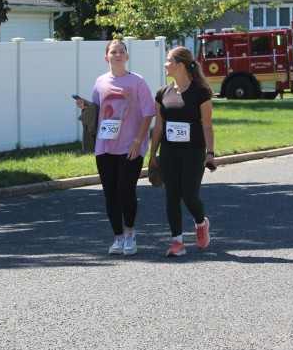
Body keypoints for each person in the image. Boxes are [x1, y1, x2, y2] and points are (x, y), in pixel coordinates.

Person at [76, 39, 155, 256]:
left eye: (121, 51)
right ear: (106, 57)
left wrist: (138, 142)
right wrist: (85, 106)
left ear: (127, 57)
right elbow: (97, 110)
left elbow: (149, 113)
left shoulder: (138, 81)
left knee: (125, 189)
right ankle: (118, 237)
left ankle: (130, 233)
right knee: (110, 193)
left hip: (130, 145)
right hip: (105, 145)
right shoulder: (100, 81)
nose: (117, 55)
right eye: (113, 52)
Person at [148, 47, 217, 257]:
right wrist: (152, 155)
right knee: (172, 195)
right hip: (169, 151)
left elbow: (207, 125)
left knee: (189, 195)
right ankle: (177, 242)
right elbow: (159, 127)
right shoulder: (162, 93)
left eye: (168, 60)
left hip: (193, 151)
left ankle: (201, 223)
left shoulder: (200, 92)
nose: (165, 64)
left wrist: (210, 153)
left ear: (180, 65)